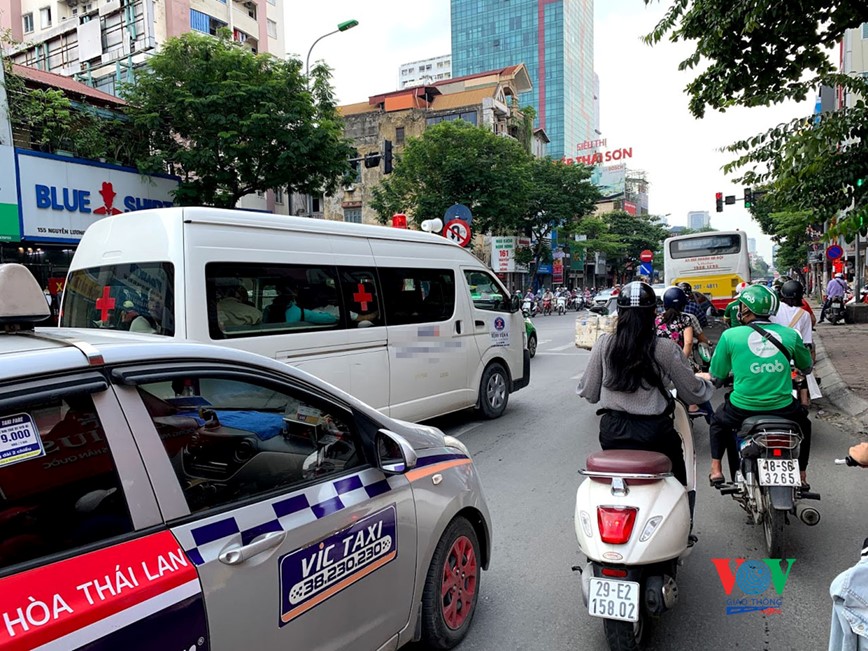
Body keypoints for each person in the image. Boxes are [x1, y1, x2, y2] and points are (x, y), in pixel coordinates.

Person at [578, 281, 714, 486]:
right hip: (655, 432)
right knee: (677, 484)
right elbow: (693, 393)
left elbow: (588, 393)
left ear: (619, 314)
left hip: (613, 432)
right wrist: (707, 382)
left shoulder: (604, 344)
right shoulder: (666, 348)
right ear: (653, 313)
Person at [707, 284, 814, 487]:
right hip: (783, 408)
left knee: (718, 421)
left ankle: (716, 469)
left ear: (746, 309)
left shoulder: (730, 336)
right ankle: (801, 473)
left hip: (741, 408)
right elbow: (806, 367)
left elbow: (717, 376)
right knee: (805, 426)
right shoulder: (790, 335)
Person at [655, 286, 695, 359]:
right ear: (682, 305)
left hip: (660, 362)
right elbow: (688, 343)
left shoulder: (656, 320)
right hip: (681, 362)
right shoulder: (685, 319)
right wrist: (682, 363)